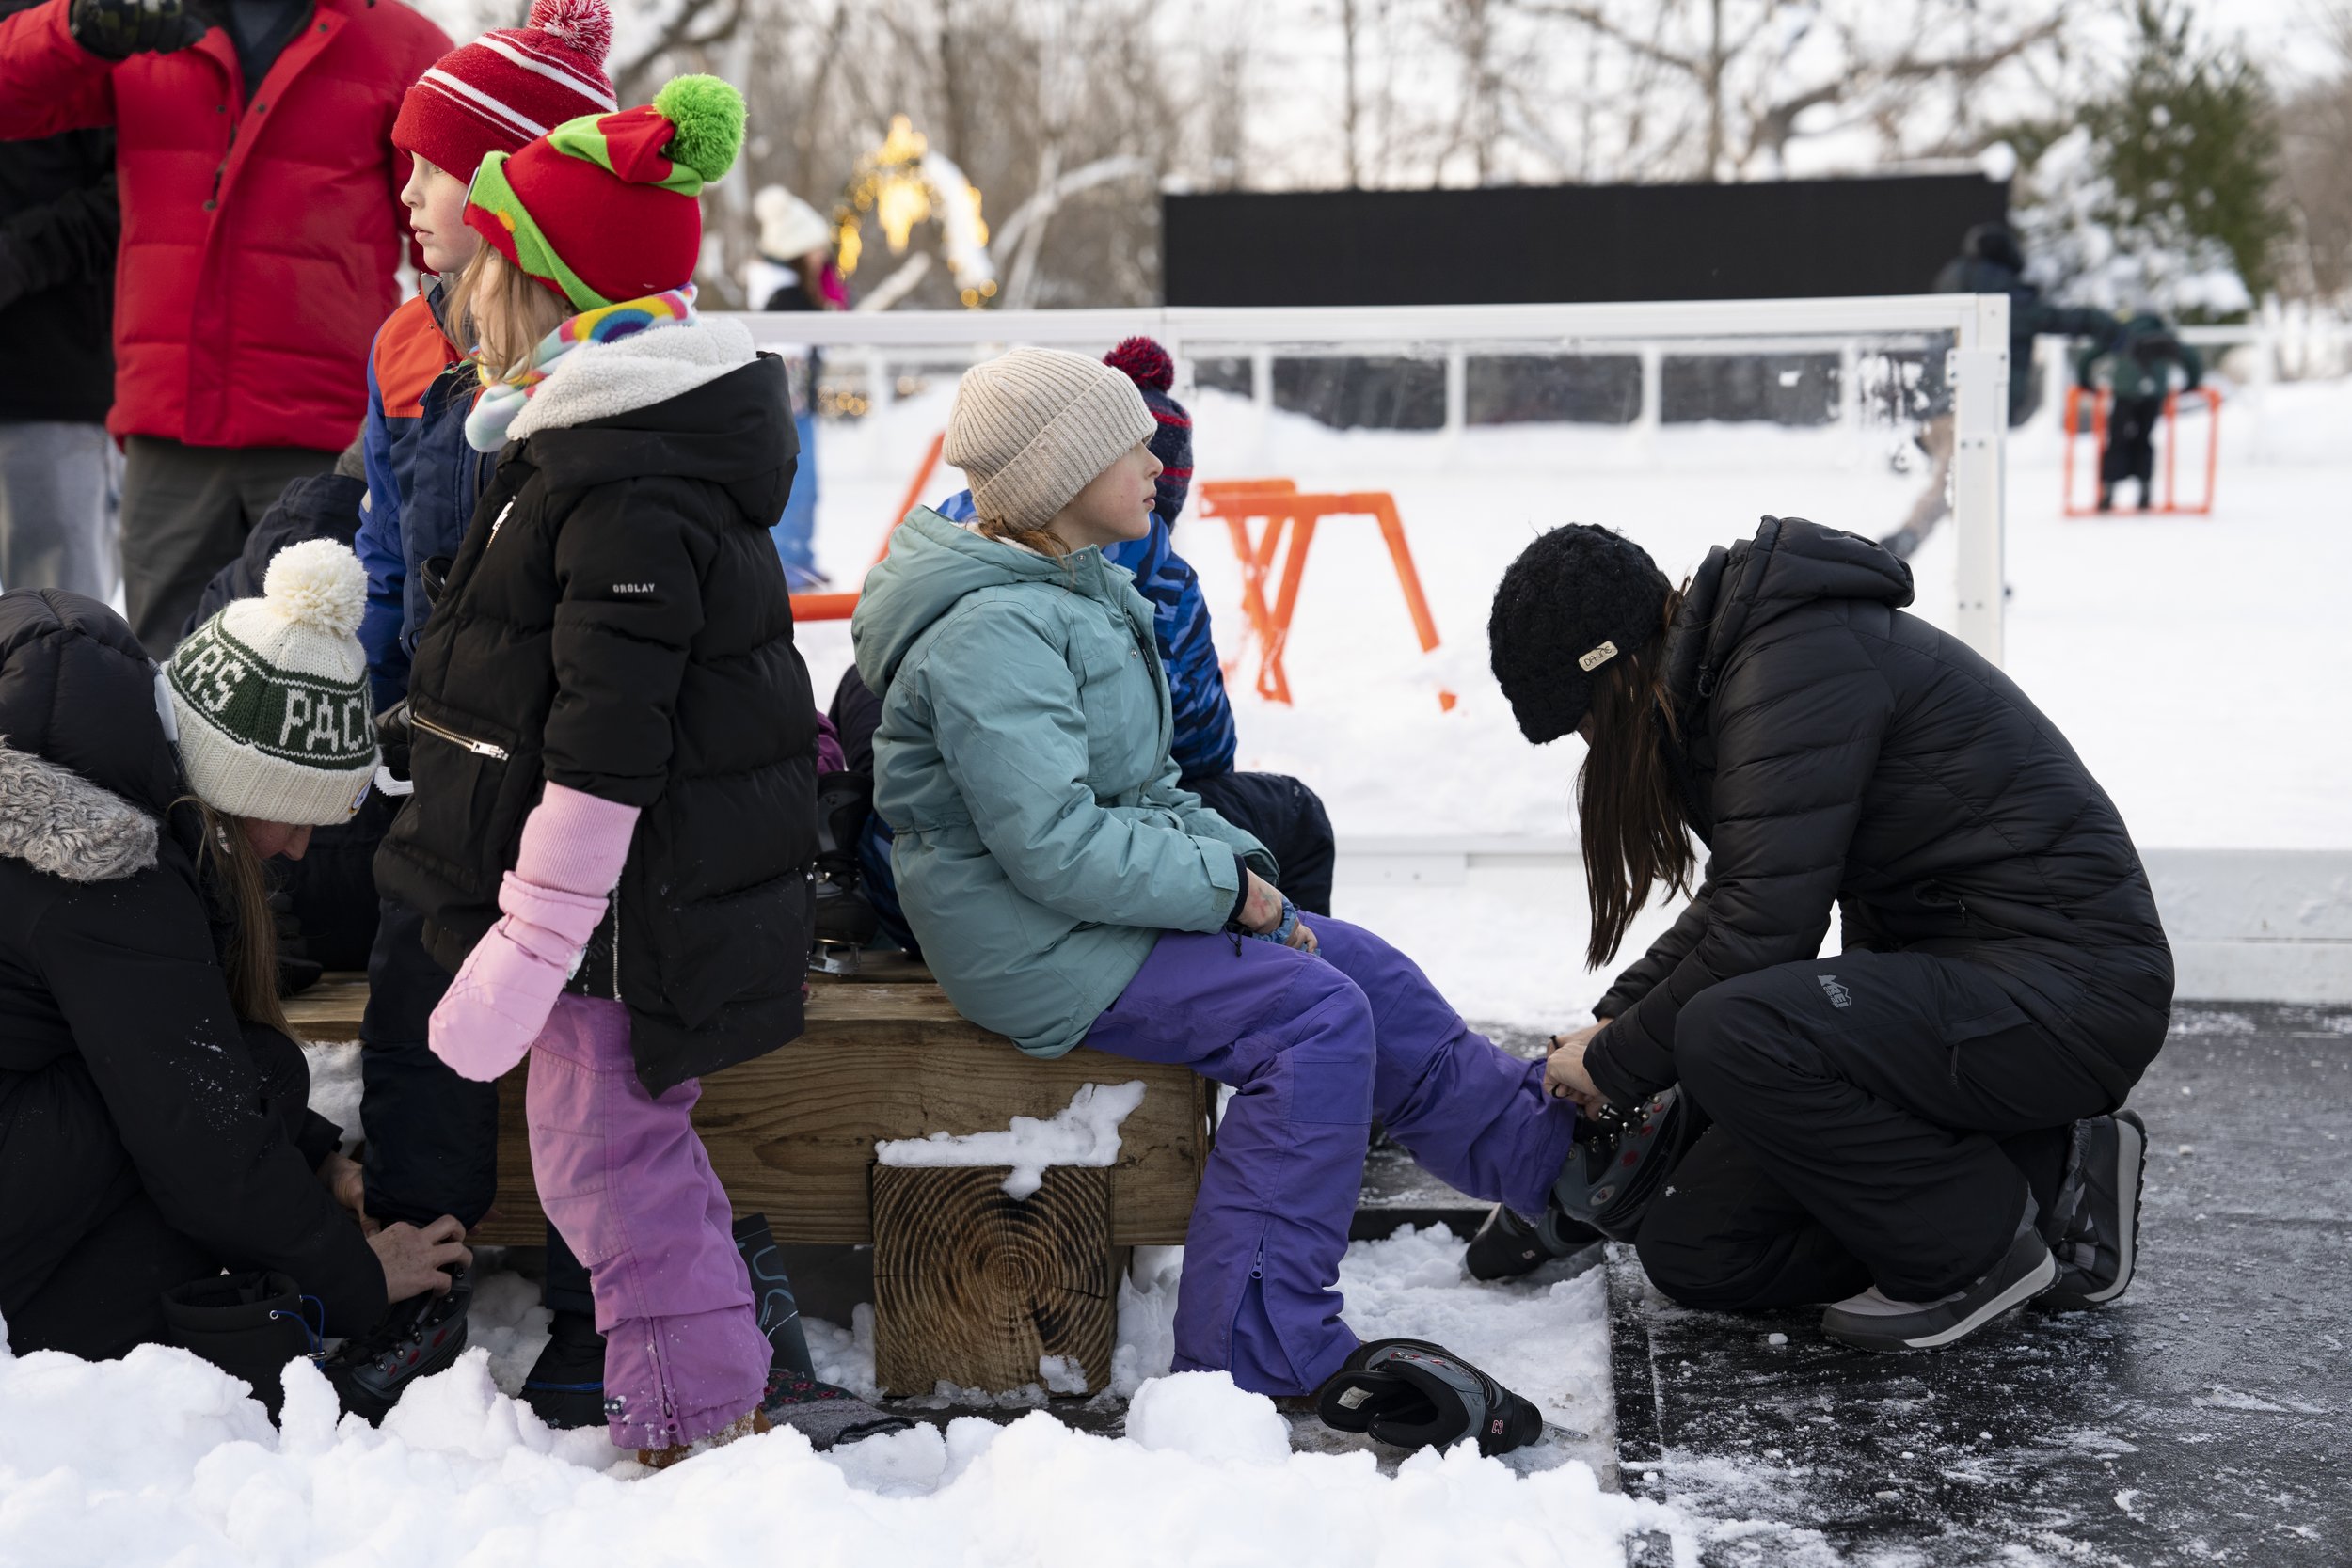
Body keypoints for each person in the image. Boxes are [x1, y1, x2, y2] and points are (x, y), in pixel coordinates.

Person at [850, 346, 1569, 1456]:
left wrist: (1244, 875)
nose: (1156, 463)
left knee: (1355, 963)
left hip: (1078, 904)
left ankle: (1551, 1163)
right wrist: (1226, 895)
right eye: (1128, 444)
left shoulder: (1071, 584)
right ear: (1056, 475)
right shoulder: (993, 628)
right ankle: (1253, 1345)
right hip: (1031, 939)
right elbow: (1050, 844)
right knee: (1313, 1019)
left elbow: (1144, 789)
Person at [373, 75, 829, 1467]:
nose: (468, 303)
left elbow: (603, 747)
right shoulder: (586, 441)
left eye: (492, 271)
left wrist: (533, 934)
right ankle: (702, 1393)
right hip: (622, 910)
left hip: (625, 920)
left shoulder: (625, 476)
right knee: (607, 1152)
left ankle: (696, 1421)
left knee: (609, 1160)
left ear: (549, 289)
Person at [1488, 518, 2170, 1351]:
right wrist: (1617, 1018)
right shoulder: (1727, 679)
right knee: (1694, 1249)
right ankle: (2054, 1180)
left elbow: (1761, 932)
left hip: (2066, 990)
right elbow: (1740, 896)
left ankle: (1977, 1249)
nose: (1593, 745)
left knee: (1727, 1032)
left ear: (1615, 668)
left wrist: (1614, 1059)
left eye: (1584, 720)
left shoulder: (1792, 661)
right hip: (1953, 988)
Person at [0, 547, 470, 1412]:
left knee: (257, 1076)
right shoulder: (102, 864)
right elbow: (197, 1135)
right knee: (231, 1126)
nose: (298, 850)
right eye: (296, 820)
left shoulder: (83, 701)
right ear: (235, 777)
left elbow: (176, 1041)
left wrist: (316, 1161)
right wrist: (358, 1270)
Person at [352, 0, 615, 1427]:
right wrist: (379, 738)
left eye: (432, 168)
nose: (405, 193)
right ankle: (428, 1262)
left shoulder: (610, 353)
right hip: (452, 760)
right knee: (416, 967)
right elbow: (393, 564)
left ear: (511, 183)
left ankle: (604, 1281)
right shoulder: (405, 343)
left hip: (593, 759)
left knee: (599, 998)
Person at [834, 336, 1339, 955]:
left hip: (905, 866)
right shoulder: (1121, 588)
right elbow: (1195, 753)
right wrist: (1234, 889)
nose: (1154, 472)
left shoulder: (947, 548)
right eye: (1136, 454)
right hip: (1008, 919)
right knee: (1295, 818)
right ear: (1080, 470)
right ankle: (1281, 954)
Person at [0, 0, 451, 653]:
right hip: (171, 435)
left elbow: (449, 245)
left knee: (320, 674)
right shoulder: (137, 25)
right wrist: (75, 26)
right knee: (160, 686)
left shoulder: (403, 45)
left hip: (326, 440)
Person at [1882, 223, 2116, 561]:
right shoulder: (2007, 298)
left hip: (1935, 404)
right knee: (1957, 485)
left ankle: (1976, 566)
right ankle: (1907, 540)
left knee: (1965, 487)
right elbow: (2063, 319)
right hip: (1975, 406)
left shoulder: (1949, 286)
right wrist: (2109, 327)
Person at [0, 0, 116, 602]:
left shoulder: (92, 22)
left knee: (56, 630)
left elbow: (137, 191)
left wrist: (18, 256)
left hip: (48, 380)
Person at [747, 183, 841, 590]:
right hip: (790, 408)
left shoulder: (786, 286)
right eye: (817, 249)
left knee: (804, 489)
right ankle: (789, 567)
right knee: (798, 490)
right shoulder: (786, 294)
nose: (825, 257)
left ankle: (798, 560)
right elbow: (789, 353)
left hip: (791, 406)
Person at [2077, 310, 2202, 513]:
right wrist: (2192, 384)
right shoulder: (2164, 336)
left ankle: (2108, 492)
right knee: (2144, 439)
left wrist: (2085, 382)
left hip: (2124, 393)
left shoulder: (2123, 333)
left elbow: (2089, 357)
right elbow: (2191, 359)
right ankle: (2144, 492)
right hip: (2153, 395)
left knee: (2116, 440)